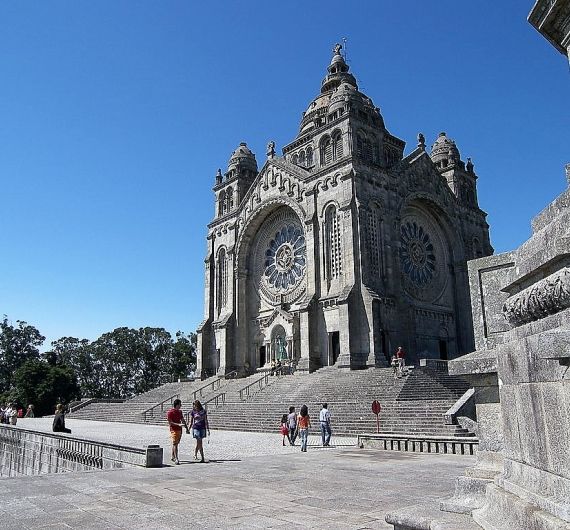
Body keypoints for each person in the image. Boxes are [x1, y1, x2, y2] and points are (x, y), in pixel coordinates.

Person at [166, 399, 189, 465]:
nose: (181, 406)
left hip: (179, 430)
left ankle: (173, 456)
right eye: (180, 404)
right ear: (177, 405)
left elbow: (182, 420)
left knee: (176, 443)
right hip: (174, 430)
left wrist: (186, 428)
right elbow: (170, 422)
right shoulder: (170, 412)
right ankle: (176, 458)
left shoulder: (180, 412)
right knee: (175, 444)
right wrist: (178, 424)